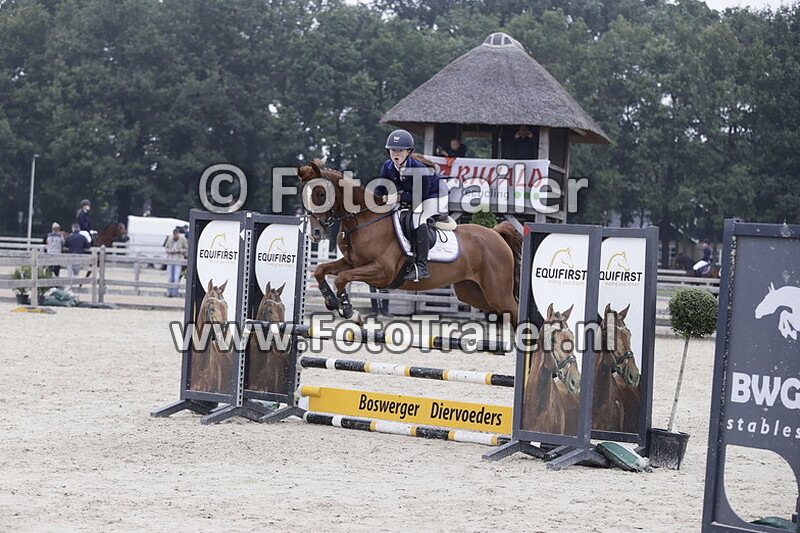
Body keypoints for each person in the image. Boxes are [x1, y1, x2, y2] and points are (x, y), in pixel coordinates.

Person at [375, 129, 446, 282]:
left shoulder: (420, 169)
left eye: (400, 150)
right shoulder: (387, 166)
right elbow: (380, 189)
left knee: (417, 220)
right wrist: (372, 200)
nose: (396, 154)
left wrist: (397, 197)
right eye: (393, 150)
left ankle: (422, 267)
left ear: (408, 151)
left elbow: (420, 197)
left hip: (435, 196)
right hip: (413, 196)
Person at [164, 227, 188, 297]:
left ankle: (175, 292)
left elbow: (186, 249)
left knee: (176, 277)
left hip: (178, 259)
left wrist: (179, 251)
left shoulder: (183, 239)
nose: (175, 236)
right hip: (170, 259)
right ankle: (169, 292)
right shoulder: (170, 239)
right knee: (170, 277)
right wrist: (169, 251)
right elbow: (166, 248)